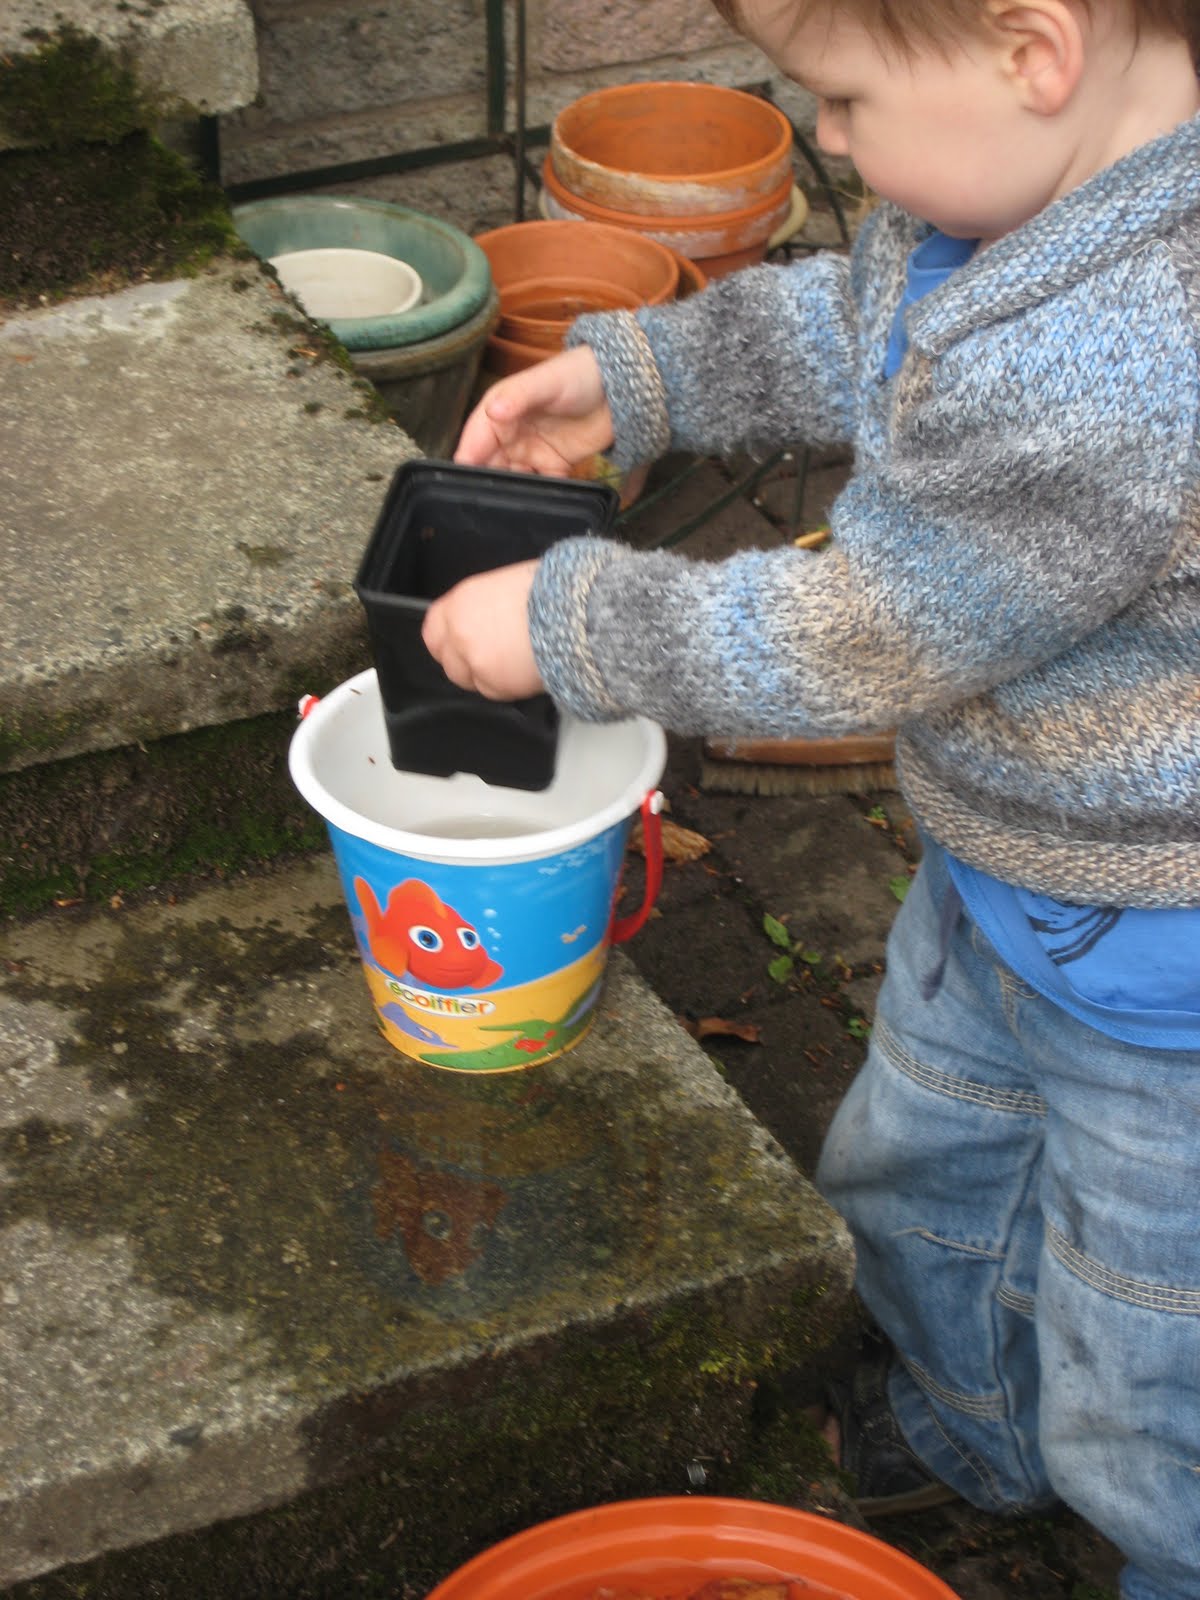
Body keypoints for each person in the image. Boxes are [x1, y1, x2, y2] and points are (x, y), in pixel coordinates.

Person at [422, 0, 1200, 1593]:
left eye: (839, 98)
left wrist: (576, 625)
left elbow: (867, 631)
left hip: (1161, 968)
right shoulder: (1021, 190)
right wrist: (640, 377)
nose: (825, 138)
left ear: (1032, 51)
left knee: (1151, 1355)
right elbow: (860, 322)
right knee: (922, 1173)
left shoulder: (1126, 351)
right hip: (1007, 860)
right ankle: (974, 1430)